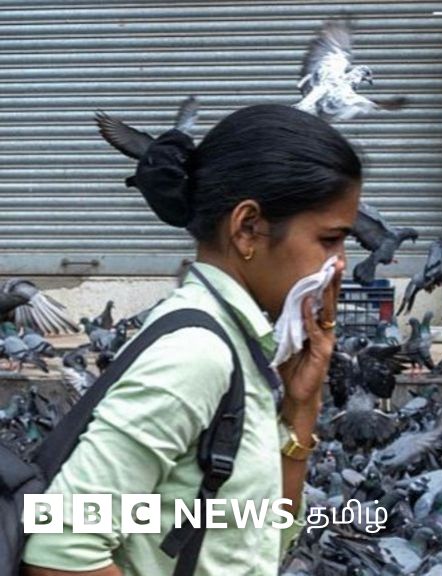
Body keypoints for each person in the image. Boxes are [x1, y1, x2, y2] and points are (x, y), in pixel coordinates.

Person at [21, 104, 361, 575]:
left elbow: (260, 535)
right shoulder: (197, 355)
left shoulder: (237, 344)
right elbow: (61, 547)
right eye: (329, 240)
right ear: (247, 228)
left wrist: (301, 409)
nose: (340, 264)